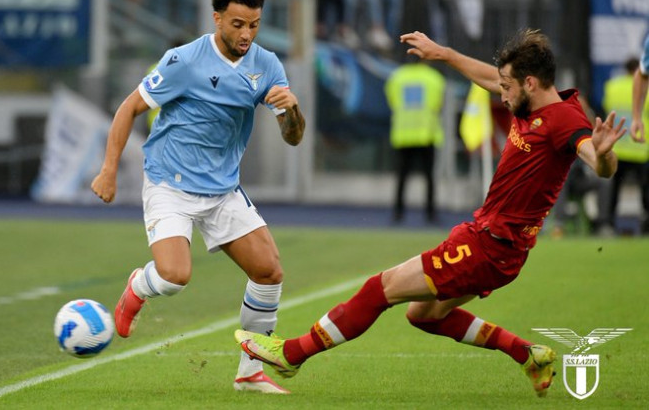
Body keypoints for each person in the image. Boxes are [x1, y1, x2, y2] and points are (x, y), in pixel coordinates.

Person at [234, 29, 625, 397]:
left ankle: (292, 354)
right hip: (494, 244)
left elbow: (596, 161)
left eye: (507, 87)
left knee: (379, 288)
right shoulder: (529, 100)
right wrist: (444, 54)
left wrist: (606, 155)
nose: (501, 93)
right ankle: (528, 354)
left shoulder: (564, 120)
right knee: (423, 315)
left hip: (490, 247)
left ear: (530, 84)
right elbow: (489, 78)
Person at [91, 0, 305, 394]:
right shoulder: (184, 61)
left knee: (269, 272)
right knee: (174, 277)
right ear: (217, 19)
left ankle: (250, 373)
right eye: (238, 24)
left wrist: (293, 109)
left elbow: (293, 137)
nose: (246, 34)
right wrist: (109, 170)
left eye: (254, 25)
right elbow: (129, 108)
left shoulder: (267, 66)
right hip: (169, 183)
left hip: (222, 190)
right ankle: (138, 286)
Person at [384, 62, 446, 223]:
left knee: (402, 176)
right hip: (426, 133)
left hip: (403, 133)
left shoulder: (397, 77)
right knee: (429, 177)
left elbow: (392, 102)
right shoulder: (434, 78)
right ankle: (430, 214)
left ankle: (398, 213)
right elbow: (438, 104)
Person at [598, 57, 649, 235]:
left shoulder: (612, 86)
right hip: (640, 148)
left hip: (618, 147)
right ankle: (647, 225)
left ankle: (608, 223)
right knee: (646, 191)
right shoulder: (645, 88)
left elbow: (606, 107)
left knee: (614, 190)